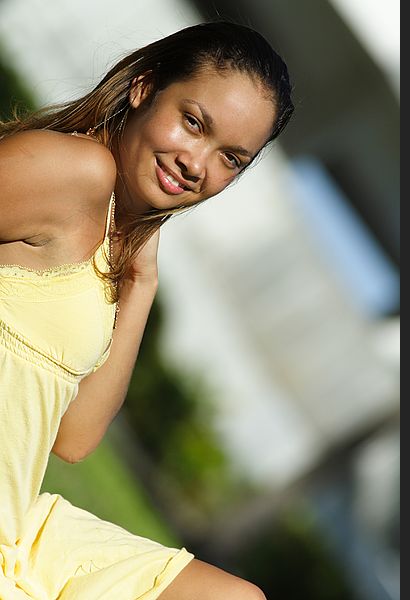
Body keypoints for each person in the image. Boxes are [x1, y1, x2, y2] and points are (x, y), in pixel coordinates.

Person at [0, 21, 293, 599]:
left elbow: (75, 438)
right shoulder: (76, 172)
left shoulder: (117, 243)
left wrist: (142, 279)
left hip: (16, 518)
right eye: (193, 123)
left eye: (230, 158)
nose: (197, 164)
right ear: (143, 87)